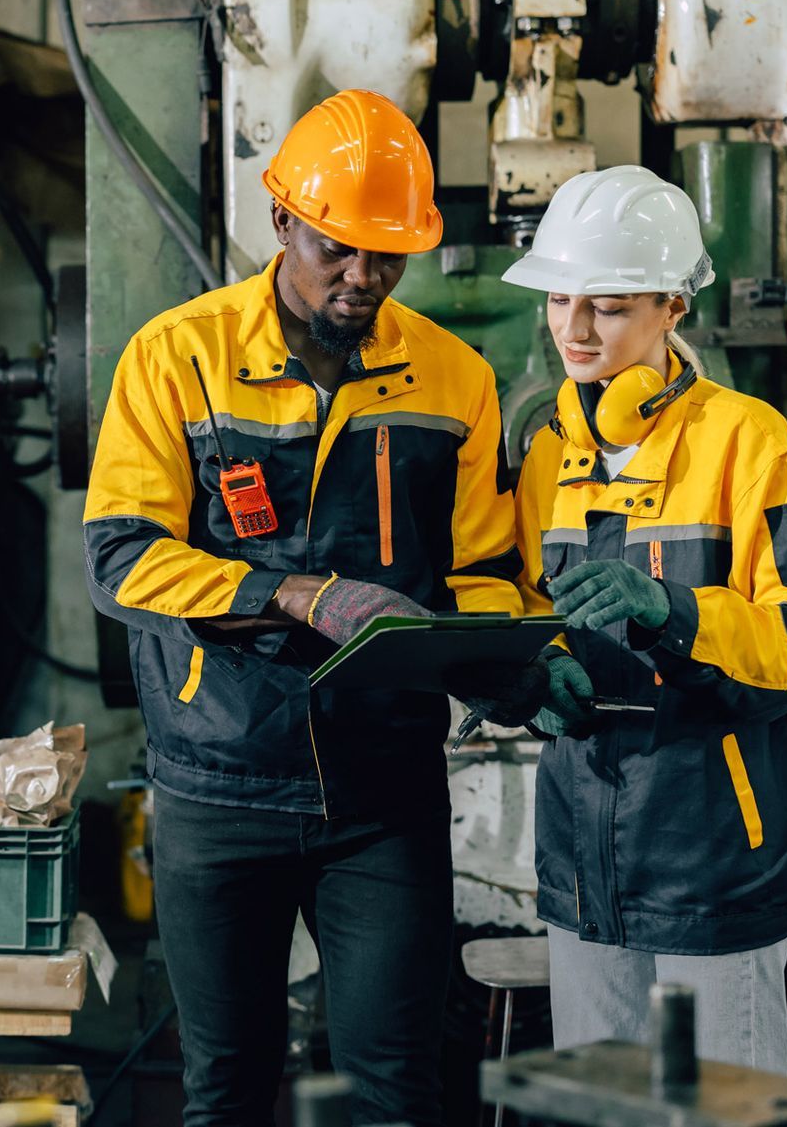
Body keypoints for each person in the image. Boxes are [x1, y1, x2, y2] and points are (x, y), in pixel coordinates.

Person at [83, 88, 535, 1126]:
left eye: (387, 256)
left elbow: (476, 570)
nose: (362, 277)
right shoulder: (178, 358)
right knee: (227, 1091)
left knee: (398, 1094)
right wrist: (291, 594)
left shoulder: (453, 376)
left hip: (383, 797)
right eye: (338, 248)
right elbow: (119, 558)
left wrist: (492, 652)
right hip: (216, 781)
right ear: (280, 217)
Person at [504, 165, 787, 1073]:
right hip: (584, 865)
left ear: (674, 307)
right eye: (560, 299)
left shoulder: (747, 440)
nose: (575, 330)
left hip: (715, 858)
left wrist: (676, 611)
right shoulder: (546, 454)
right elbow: (520, 612)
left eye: (610, 307)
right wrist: (529, 680)